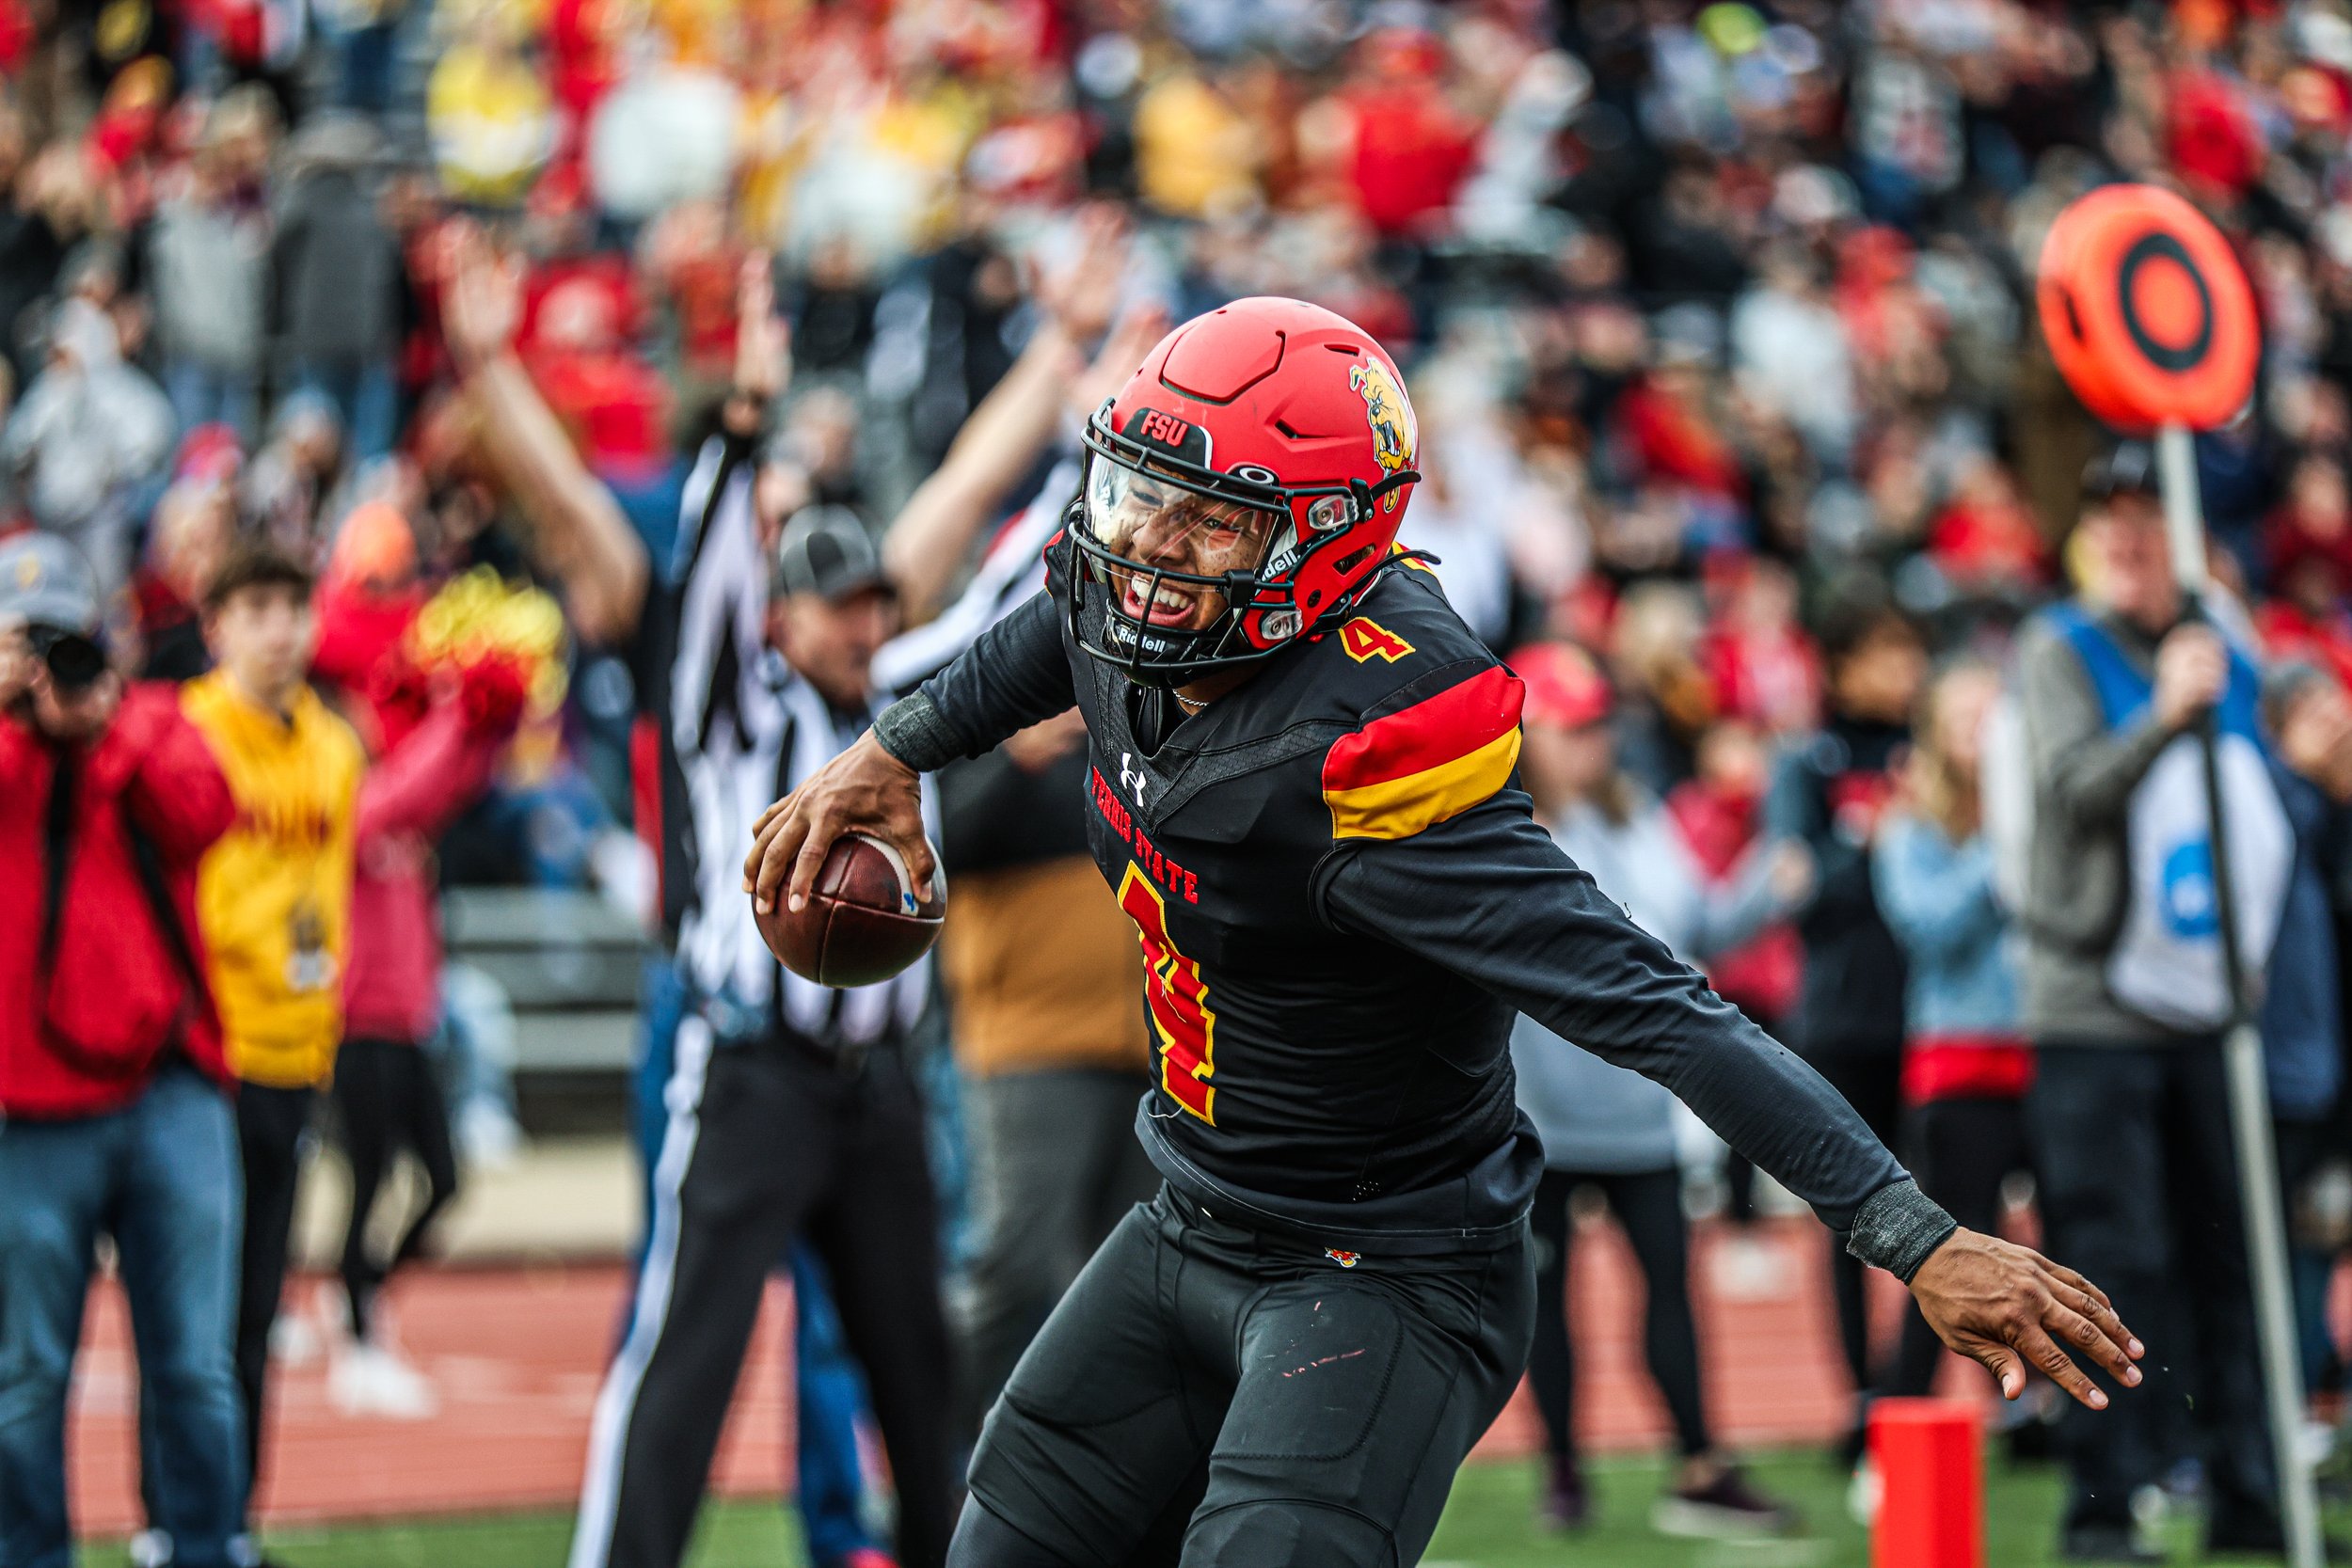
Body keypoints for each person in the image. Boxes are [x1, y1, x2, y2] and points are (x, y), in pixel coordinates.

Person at [750, 297, 2142, 1568]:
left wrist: (1911, 1232)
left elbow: (1660, 1007)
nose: (1150, 550)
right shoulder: (1135, 595)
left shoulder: (1375, 767)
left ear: (1324, 542)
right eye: (1141, 494)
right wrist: (895, 747)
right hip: (1189, 1213)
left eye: (1209, 522)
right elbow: (1054, 623)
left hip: (1386, 1268)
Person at [572, 499, 958, 1568]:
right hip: (756, 1070)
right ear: (780, 619)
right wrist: (734, 441)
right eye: (839, 606)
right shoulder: (734, 699)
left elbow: (997, 602)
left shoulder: (907, 700)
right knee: (688, 1353)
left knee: (921, 1375)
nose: (863, 626)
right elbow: (701, 592)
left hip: (882, 1081)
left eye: (875, 603)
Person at [2010, 441, 2287, 1560]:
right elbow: (2068, 793)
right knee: (2109, 1262)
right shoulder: (2058, 648)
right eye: (2108, 517)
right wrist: (2165, 715)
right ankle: (2105, 1500)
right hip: (2094, 1013)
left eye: (2146, 514)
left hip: (2211, 1010)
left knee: (2233, 1253)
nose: (2126, 536)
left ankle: (2248, 1486)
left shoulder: (2228, 646)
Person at [1504, 641, 1799, 1537]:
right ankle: (1561, 1468)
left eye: (1598, 725)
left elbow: (1699, 922)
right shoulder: (1502, 828)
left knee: (1671, 1291)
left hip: (1635, 1107)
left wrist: (1772, 879)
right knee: (1545, 1304)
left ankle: (1699, 1462)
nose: (1592, 743)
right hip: (1538, 1115)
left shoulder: (1637, 818)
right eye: (1573, 727)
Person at [0, 534, 243, 1568]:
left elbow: (208, 812)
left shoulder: (150, 723)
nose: (54, 664)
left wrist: (106, 724)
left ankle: (205, 1547)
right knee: (23, 1374)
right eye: (32, 642)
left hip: (167, 1090)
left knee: (195, 1367)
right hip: (27, 1108)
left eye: (69, 638)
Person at [182, 543, 366, 1530]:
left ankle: (233, 1524)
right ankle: (176, 1522)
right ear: (215, 625)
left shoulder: (333, 747)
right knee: (193, 1321)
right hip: (209, 1052)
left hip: (295, 1048)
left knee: (256, 1310)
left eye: (293, 606)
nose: (280, 629)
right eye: (256, 607)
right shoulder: (187, 733)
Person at [1765, 578, 1925, 1458]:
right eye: (1886, 653)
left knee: (1944, 1205)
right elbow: (1801, 889)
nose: (1905, 670)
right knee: (1849, 1219)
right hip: (1838, 1018)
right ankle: (1863, 1395)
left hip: (1926, 1013)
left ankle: (1914, 1389)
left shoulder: (1922, 748)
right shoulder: (1810, 760)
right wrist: (1873, 840)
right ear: (1842, 662)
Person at [1871, 658, 2036, 1405]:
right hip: (1960, 1064)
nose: (1983, 731)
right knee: (1948, 1251)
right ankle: (1900, 1413)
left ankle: (2056, 1414)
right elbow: (1927, 929)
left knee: (2077, 1242)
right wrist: (2002, 850)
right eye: (1966, 717)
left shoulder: (2036, 812)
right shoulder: (1910, 826)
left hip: (2045, 1052)